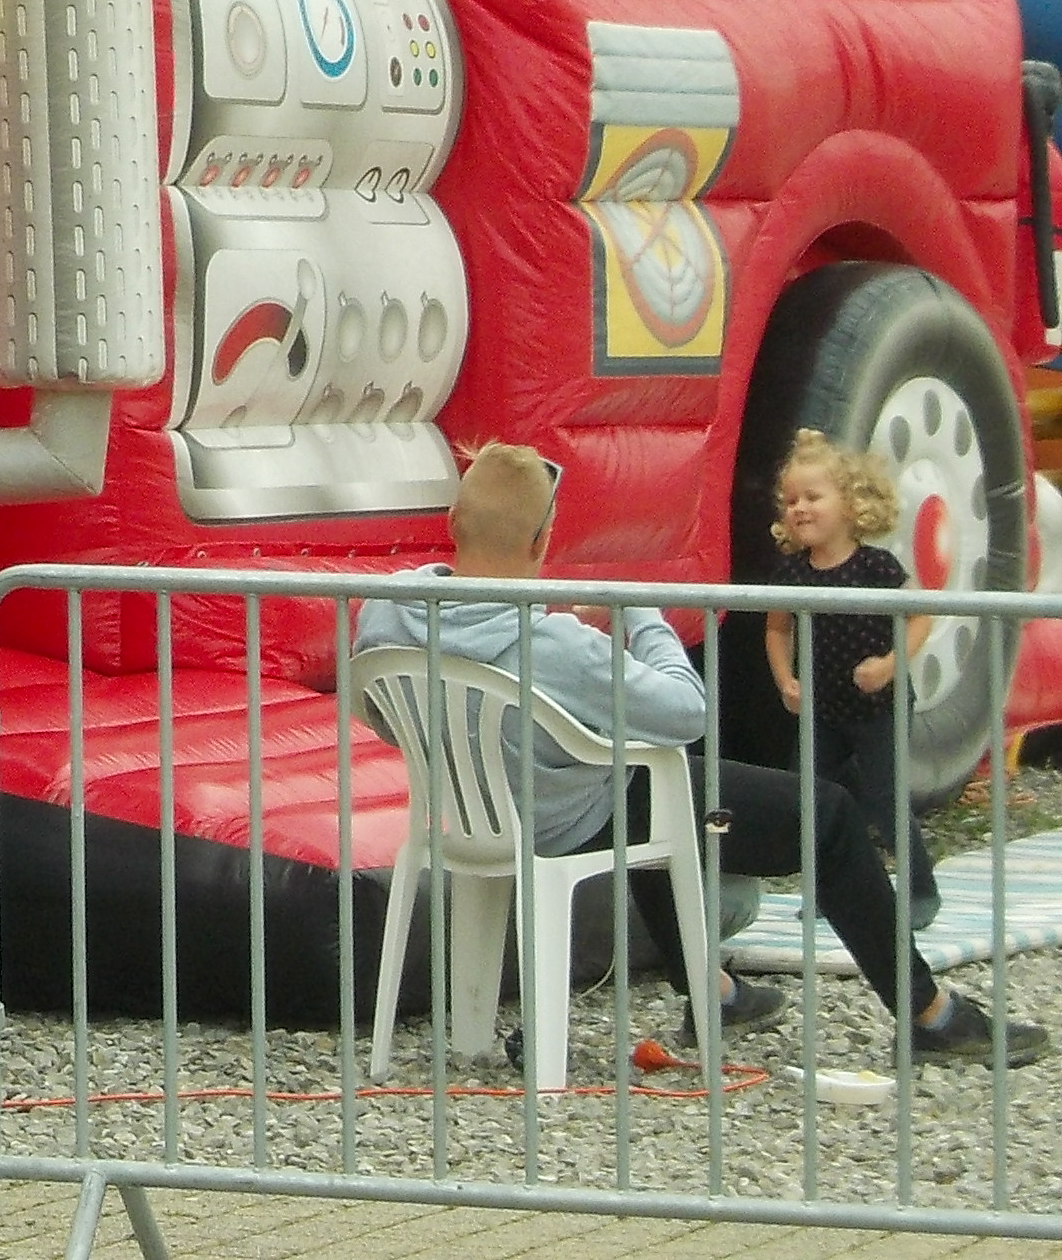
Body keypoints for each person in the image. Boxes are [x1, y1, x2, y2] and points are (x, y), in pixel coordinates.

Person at [354, 441, 1044, 1066]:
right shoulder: (556, 646)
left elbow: (374, 707)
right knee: (826, 815)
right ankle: (930, 1013)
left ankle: (714, 991)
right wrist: (637, 615)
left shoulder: (387, 610)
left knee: (655, 788)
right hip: (574, 817)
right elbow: (688, 710)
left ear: (453, 521)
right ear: (543, 541)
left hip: (469, 818)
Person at [766, 428, 939, 930]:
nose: (800, 508)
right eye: (791, 501)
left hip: (879, 706)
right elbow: (776, 629)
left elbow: (921, 617)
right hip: (823, 707)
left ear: (850, 505)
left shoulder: (876, 567)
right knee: (812, 798)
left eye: (812, 497)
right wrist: (785, 680)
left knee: (885, 798)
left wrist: (890, 665)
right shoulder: (793, 574)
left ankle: (920, 889)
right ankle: (833, 890)